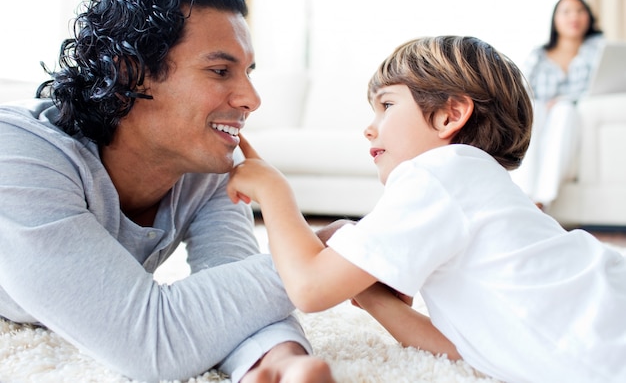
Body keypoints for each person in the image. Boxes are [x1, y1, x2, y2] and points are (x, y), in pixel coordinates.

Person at [0, 0, 335, 383]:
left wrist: (279, 362)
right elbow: (148, 342)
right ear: (129, 72)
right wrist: (324, 255)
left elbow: (234, 287)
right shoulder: (17, 153)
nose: (252, 98)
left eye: (248, 72)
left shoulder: (204, 166)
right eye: (219, 71)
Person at [228, 36, 626, 382]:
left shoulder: (439, 173)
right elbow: (467, 349)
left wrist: (272, 187)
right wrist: (370, 294)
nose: (370, 127)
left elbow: (310, 289)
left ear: (448, 116)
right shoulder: (475, 187)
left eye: (386, 105)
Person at [510, 0, 604, 209]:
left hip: (573, 113)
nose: (574, 17)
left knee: (563, 111)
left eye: (580, 11)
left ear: (588, 17)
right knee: (535, 109)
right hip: (540, 112)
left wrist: (563, 100)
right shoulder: (539, 54)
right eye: (567, 11)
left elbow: (600, 85)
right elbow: (523, 90)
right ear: (555, 19)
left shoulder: (597, 50)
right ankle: (524, 194)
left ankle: (541, 200)